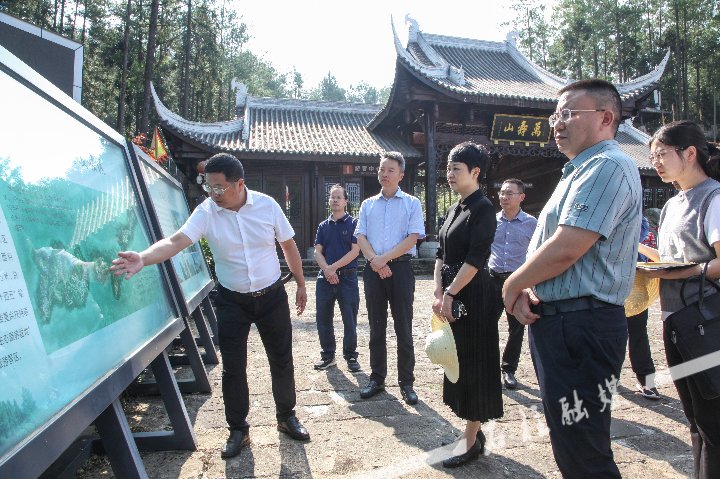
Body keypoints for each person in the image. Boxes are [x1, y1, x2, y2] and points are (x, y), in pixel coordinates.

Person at [109, 153, 310, 459]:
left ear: (238, 184)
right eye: (208, 186)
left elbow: (288, 245)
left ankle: (286, 417)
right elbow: (176, 241)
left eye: (218, 187)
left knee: (281, 359)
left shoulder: (267, 206)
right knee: (233, 368)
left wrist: (300, 284)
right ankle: (238, 430)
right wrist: (144, 257)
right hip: (232, 301)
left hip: (271, 298)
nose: (212, 193)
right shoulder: (207, 211)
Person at [502, 79, 642, 478]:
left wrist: (512, 285)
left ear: (606, 117)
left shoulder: (608, 165)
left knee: (584, 451)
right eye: (554, 116)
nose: (557, 124)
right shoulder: (580, 170)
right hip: (566, 323)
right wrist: (531, 284)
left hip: (582, 326)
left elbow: (567, 248)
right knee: (572, 442)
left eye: (568, 114)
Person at [637, 120, 720, 479]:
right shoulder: (672, 205)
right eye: (652, 155)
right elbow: (667, 259)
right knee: (694, 417)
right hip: (676, 320)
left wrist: (673, 273)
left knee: (713, 420)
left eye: (661, 154)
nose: (655, 161)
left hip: (707, 321)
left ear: (690, 153)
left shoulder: (714, 197)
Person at [432, 142, 503, 468]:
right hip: (452, 296)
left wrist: (450, 294)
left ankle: (471, 441)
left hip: (474, 298)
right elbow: (441, 255)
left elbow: (475, 260)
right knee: (457, 363)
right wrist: (437, 291)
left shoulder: (484, 209)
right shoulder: (455, 207)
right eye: (448, 167)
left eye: (456, 168)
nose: (450, 174)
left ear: (475, 172)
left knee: (473, 367)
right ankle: (469, 433)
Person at [356, 151, 425, 404]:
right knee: (376, 327)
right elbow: (360, 237)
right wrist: (376, 260)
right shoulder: (367, 204)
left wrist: (384, 259)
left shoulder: (411, 203)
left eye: (390, 170)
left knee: (403, 328)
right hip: (373, 270)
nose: (384, 174)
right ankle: (377, 378)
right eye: (381, 169)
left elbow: (412, 238)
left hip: (401, 270)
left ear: (401, 175)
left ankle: (407, 382)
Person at [488, 178, 537, 389]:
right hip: (492, 280)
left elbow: (537, 255)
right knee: (487, 327)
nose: (504, 197)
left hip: (518, 284)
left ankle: (509, 369)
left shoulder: (532, 224)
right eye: (502, 193)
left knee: (516, 329)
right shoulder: (491, 221)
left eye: (509, 193)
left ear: (521, 197)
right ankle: (487, 368)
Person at [313, 184, 361, 372]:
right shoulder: (323, 226)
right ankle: (328, 355)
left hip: (348, 278)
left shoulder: (354, 224)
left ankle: (350, 356)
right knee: (323, 318)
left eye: (339, 197)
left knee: (350, 319)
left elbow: (355, 251)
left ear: (346, 201)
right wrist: (327, 270)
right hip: (325, 279)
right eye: (332, 197)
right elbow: (317, 251)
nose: (335, 200)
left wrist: (332, 268)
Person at [625, 214, 661, 400]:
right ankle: (606, 379)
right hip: (604, 285)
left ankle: (646, 381)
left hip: (635, 286)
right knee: (606, 336)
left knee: (638, 334)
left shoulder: (640, 220)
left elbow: (631, 239)